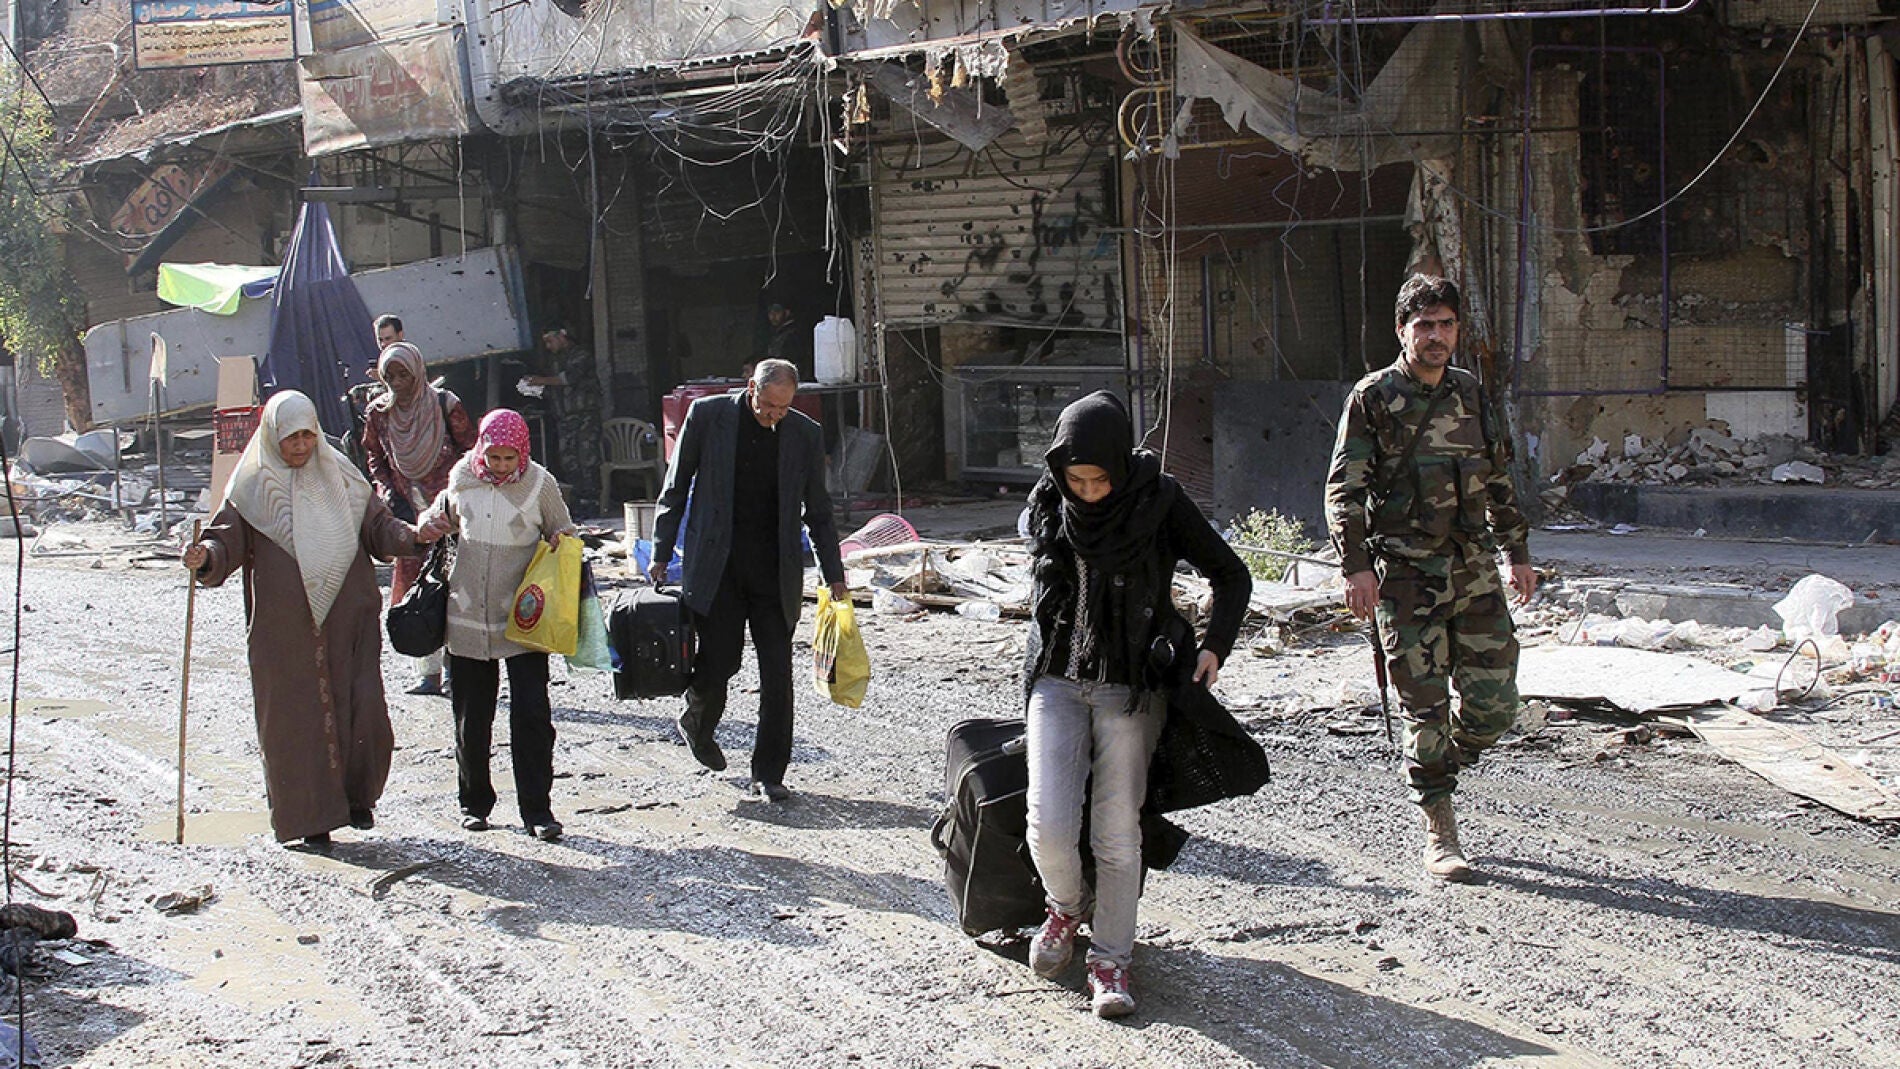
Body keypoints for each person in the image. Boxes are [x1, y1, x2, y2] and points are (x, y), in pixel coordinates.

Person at [1019, 390, 1250, 1020]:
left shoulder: (1160, 501)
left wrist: (1213, 647)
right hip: (1057, 682)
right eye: (1076, 479)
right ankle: (1067, 908)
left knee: (1117, 834)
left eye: (1100, 480)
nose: (1089, 492)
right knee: (1048, 826)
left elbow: (1232, 575)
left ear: (1121, 468)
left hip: (1132, 689)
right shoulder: (1047, 501)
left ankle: (1111, 960)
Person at [1324, 273, 1536, 883]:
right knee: (1426, 708)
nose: (1436, 336)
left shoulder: (1470, 392)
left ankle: (1446, 760)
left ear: (1457, 330)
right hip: (1405, 576)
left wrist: (1517, 552)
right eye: (1424, 326)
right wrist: (1356, 567)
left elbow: (1498, 477)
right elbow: (1345, 489)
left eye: (1445, 325)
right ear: (1402, 330)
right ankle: (1439, 827)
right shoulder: (1374, 397)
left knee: (1496, 706)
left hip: (1472, 569)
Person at [182, 391, 438, 848]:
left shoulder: (340, 473)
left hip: (348, 620)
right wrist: (205, 556)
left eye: (306, 435)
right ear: (272, 437)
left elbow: (378, 528)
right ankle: (309, 821)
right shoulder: (250, 487)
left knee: (362, 714)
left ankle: (357, 802)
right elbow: (225, 544)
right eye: (290, 437)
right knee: (294, 723)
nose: (300, 446)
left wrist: (413, 536)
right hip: (287, 633)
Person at [646, 358, 847, 802]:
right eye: (768, 406)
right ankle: (697, 722)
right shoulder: (709, 416)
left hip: (774, 572)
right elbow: (675, 488)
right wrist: (661, 553)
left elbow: (818, 511)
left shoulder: (803, 434)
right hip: (718, 568)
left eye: (783, 408)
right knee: (719, 663)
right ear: (751, 388)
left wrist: (834, 574)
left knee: (778, 674)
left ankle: (769, 772)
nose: (774, 415)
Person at [417, 410, 577, 841]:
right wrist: (426, 526)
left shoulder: (540, 483)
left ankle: (538, 811)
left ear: (522, 453)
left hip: (524, 619)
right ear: (481, 450)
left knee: (531, 716)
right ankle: (474, 804)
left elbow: (563, 527)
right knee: (471, 717)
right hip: (467, 617)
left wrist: (562, 540)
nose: (501, 466)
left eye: (509, 458)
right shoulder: (461, 477)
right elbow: (439, 515)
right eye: (494, 457)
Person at [362, 341, 479, 696]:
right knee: (418, 593)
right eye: (390, 376)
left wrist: (455, 498)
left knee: (458, 590)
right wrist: (387, 493)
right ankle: (427, 673)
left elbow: (471, 452)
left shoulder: (446, 405)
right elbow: (375, 458)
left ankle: (457, 669)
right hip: (410, 521)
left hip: (453, 517)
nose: (397, 382)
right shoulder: (379, 414)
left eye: (404, 374)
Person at [521, 326, 603, 516]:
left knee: (587, 459)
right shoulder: (554, 360)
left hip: (585, 417)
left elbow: (568, 379)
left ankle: (592, 502)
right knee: (569, 461)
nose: (548, 346)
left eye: (550, 340)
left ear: (562, 336)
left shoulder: (580, 355)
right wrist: (534, 388)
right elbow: (552, 386)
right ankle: (578, 502)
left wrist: (541, 380)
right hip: (564, 418)